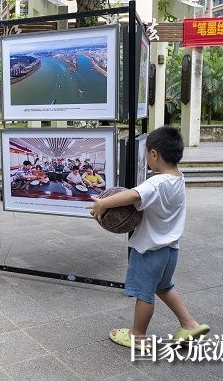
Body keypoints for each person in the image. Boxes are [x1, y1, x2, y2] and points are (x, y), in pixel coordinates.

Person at [88, 126, 210, 351]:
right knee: (164, 287)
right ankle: (189, 324)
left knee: (144, 293)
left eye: (148, 155)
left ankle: (138, 335)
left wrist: (103, 203)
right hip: (170, 250)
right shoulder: (177, 179)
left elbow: (135, 194)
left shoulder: (157, 182)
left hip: (149, 250)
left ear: (154, 154)